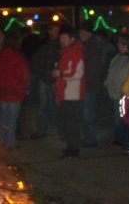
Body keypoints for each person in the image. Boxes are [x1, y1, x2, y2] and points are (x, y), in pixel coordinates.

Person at [0, 32, 29, 150]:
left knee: (2, 117)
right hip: (15, 93)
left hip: (2, 92)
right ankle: (9, 143)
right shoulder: (19, 58)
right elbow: (24, 76)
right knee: (12, 120)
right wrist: (25, 88)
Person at [52, 25, 85, 158]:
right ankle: (71, 146)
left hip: (72, 94)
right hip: (65, 93)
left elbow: (77, 73)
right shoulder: (67, 52)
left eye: (64, 37)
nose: (62, 40)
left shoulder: (74, 53)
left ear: (72, 39)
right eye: (61, 37)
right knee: (67, 121)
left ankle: (73, 148)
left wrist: (59, 73)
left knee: (71, 122)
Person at [29, 22, 61, 140]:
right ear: (49, 31)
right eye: (55, 29)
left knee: (56, 104)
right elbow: (36, 60)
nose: (57, 32)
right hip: (44, 78)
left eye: (58, 29)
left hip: (55, 79)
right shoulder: (43, 44)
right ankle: (43, 129)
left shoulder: (61, 44)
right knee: (43, 105)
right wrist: (42, 72)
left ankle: (56, 129)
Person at [104, 33, 129, 146]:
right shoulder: (117, 57)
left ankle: (123, 138)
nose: (118, 45)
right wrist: (107, 84)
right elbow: (111, 72)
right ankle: (119, 137)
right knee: (118, 115)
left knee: (123, 117)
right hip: (114, 90)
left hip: (124, 93)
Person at [78, 21, 105, 147]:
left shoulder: (92, 47)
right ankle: (88, 137)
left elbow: (93, 68)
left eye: (83, 32)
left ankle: (91, 139)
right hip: (86, 84)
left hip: (89, 85)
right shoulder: (87, 45)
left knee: (88, 113)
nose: (80, 34)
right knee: (85, 113)